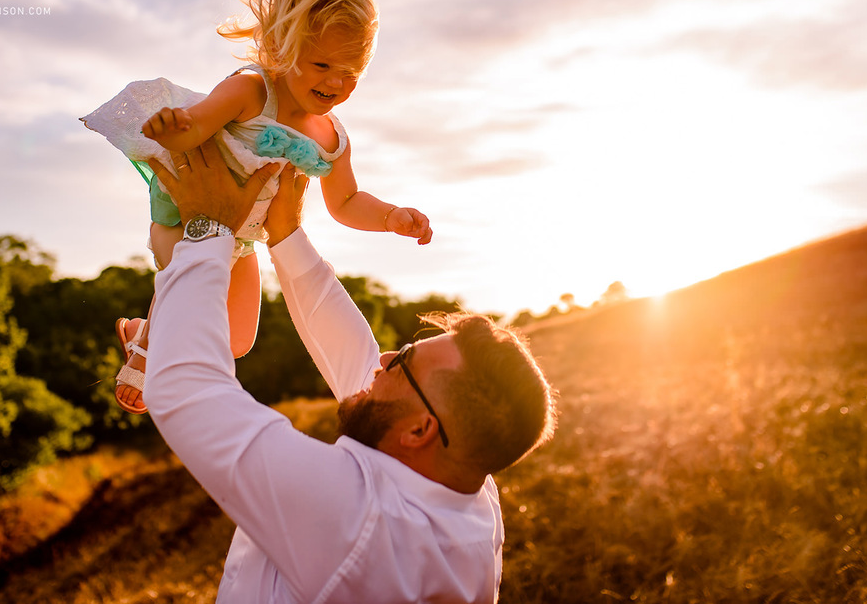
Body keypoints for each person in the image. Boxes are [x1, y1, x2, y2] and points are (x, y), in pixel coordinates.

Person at [140, 139, 557, 603]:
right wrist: (285, 232)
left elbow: (186, 390)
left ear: (420, 429)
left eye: (402, 364)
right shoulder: (467, 486)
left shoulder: (356, 518)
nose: (383, 360)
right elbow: (353, 354)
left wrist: (208, 228)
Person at [81, 0, 432, 413]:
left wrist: (390, 217)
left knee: (239, 338)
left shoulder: (332, 139)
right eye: (323, 65)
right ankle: (148, 350)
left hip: (240, 240)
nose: (337, 82)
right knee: (193, 305)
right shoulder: (251, 90)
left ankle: (148, 332)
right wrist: (173, 126)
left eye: (352, 71)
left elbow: (347, 201)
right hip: (187, 216)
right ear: (281, 48)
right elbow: (199, 123)